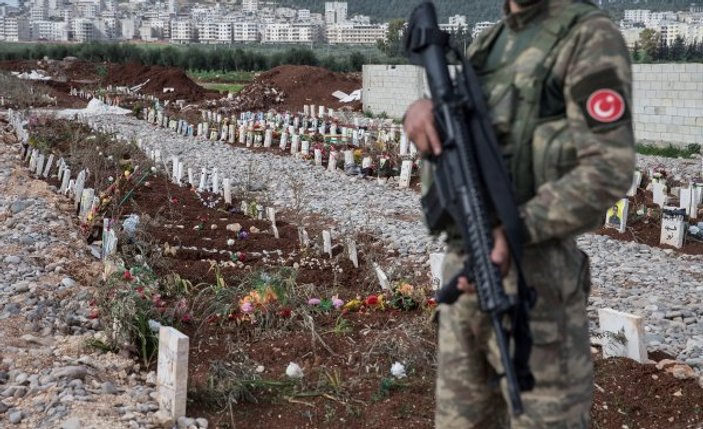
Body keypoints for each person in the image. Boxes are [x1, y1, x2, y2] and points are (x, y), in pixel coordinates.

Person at [403, 0, 636, 427]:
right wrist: (419, 112)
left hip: (537, 291)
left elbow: (608, 169)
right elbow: (456, 126)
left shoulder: (587, 36)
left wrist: (516, 229)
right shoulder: (490, 43)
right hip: (467, 276)